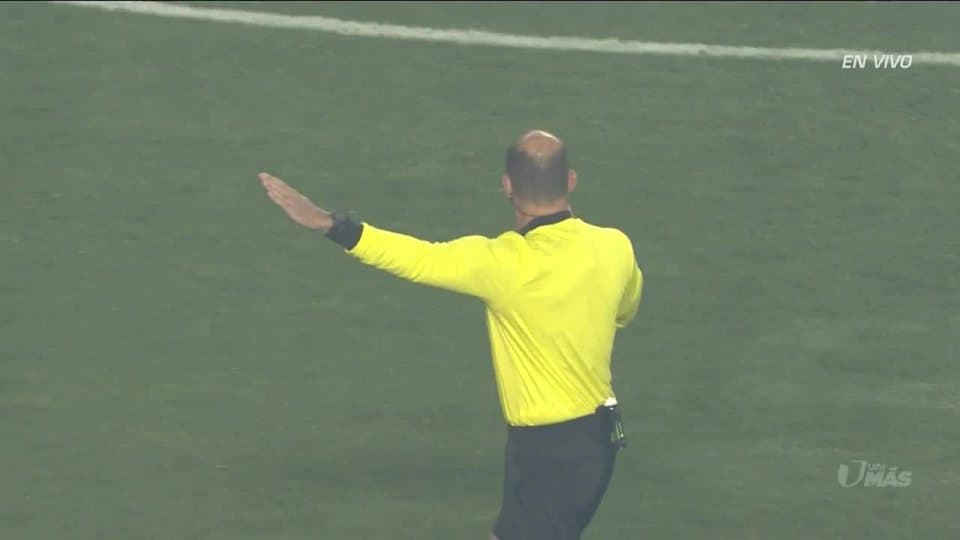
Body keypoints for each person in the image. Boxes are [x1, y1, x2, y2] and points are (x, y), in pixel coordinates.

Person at [259, 129, 643, 539]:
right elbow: (624, 311)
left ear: (507, 186)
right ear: (570, 180)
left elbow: (419, 258)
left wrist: (333, 224)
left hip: (550, 454)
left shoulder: (501, 263)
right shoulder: (615, 247)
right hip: (592, 440)